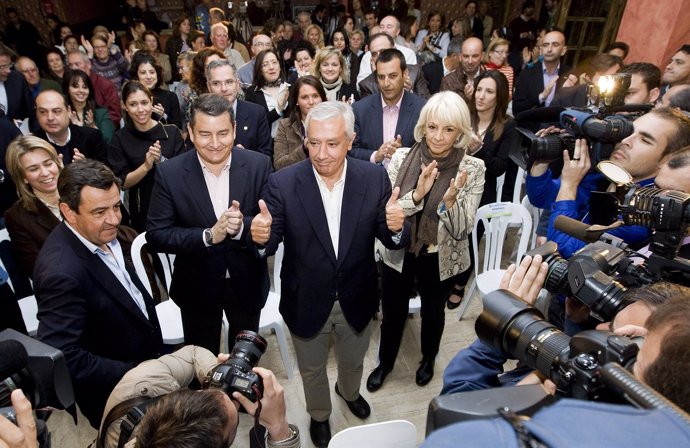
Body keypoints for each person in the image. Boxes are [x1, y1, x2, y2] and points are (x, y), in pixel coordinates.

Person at [250, 101, 410, 447]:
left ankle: (349, 392)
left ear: (350, 141)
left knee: (354, 362)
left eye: (333, 143)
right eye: (314, 142)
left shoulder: (373, 177)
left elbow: (390, 236)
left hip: (359, 293)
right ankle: (320, 414)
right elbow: (270, 238)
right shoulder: (283, 183)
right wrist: (260, 237)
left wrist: (397, 227)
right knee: (311, 370)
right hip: (305, 298)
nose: (321, 153)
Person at [367, 91, 485, 391]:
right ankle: (386, 362)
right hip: (400, 250)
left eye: (448, 129)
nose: (439, 137)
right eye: (432, 127)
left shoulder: (472, 169)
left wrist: (449, 203)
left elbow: (463, 229)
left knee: (434, 313)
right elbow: (389, 213)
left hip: (438, 255)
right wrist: (418, 195)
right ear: (423, 126)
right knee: (392, 312)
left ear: (460, 132)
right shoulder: (402, 158)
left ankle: (428, 359)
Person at [33, 159, 164, 428]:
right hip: (118, 395)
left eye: (116, 206)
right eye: (100, 211)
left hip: (145, 363)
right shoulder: (60, 272)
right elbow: (65, 356)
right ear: (69, 212)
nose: (115, 219)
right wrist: (135, 372)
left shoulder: (99, 234)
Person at [146, 94, 271, 353]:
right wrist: (207, 236)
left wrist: (243, 228)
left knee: (244, 367)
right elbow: (157, 234)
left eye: (223, 133)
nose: (215, 144)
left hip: (246, 285)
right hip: (196, 288)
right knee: (202, 369)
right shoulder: (170, 174)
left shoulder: (259, 165)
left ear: (234, 130)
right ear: (190, 132)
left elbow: (271, 223)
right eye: (205, 134)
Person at [526, 107, 690, 259]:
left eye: (645, 140)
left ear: (668, 159)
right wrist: (542, 162)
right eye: (630, 131)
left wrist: (569, 186)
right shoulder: (606, 176)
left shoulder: (642, 214)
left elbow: (566, 251)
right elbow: (542, 198)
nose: (626, 140)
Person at [99, 346, 300, 448]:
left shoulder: (135, 386)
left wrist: (220, 373)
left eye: (205, 393)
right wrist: (279, 428)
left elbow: (192, 353)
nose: (229, 396)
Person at [108, 81, 184, 232]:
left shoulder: (171, 132)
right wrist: (146, 166)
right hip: (144, 211)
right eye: (133, 104)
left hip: (176, 204)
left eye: (144, 102)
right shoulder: (120, 139)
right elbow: (121, 182)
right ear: (125, 106)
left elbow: (184, 172)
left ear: (151, 102)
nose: (140, 109)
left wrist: (161, 161)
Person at [351, 48, 427, 163]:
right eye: (381, 77)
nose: (386, 83)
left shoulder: (422, 109)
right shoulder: (360, 110)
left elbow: (428, 152)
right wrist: (376, 156)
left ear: (405, 73)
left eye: (392, 76)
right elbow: (351, 151)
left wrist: (402, 155)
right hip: (372, 178)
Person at [4, 136, 63, 277]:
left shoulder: (84, 191)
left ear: (57, 162)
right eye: (33, 169)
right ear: (23, 177)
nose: (44, 173)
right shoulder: (17, 217)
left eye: (48, 164)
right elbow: (37, 270)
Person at [206, 59, 273, 157]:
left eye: (229, 82)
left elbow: (266, 154)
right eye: (216, 83)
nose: (224, 88)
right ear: (209, 87)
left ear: (237, 84)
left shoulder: (256, 113)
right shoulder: (200, 115)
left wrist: (246, 157)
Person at [33, 89, 108, 165]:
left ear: (68, 111)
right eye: (43, 112)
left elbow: (107, 172)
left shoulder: (92, 136)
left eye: (56, 111)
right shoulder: (32, 145)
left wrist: (87, 168)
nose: (50, 117)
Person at [512, 28, 571, 115]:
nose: (549, 49)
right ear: (540, 50)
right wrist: (541, 97)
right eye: (545, 45)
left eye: (555, 45)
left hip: (559, 127)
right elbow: (516, 109)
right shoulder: (527, 74)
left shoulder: (571, 74)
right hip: (531, 127)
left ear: (563, 50)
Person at [273, 75, 326, 170]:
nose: (311, 102)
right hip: (296, 179)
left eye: (315, 96)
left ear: (322, 98)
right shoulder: (285, 126)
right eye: (305, 97)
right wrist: (303, 149)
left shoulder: (333, 124)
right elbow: (278, 165)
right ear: (297, 101)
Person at [358, 33, 431, 99]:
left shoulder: (415, 72)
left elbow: (427, 106)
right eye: (374, 54)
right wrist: (378, 80)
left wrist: (409, 93)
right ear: (371, 59)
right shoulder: (366, 84)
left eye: (383, 51)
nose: (379, 56)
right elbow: (372, 111)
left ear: (394, 50)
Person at [357, 15, 418, 87]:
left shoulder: (408, 53)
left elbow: (410, 82)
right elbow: (360, 86)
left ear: (397, 31)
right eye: (381, 26)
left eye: (389, 26)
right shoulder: (369, 55)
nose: (384, 30)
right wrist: (375, 75)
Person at [66, 50, 122, 127]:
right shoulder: (67, 86)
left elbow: (115, 115)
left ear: (88, 64)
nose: (73, 68)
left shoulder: (105, 85)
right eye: (70, 65)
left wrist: (99, 127)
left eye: (77, 64)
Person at [129, 52, 182, 129]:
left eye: (152, 72)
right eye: (143, 73)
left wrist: (164, 116)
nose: (148, 77)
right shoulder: (131, 98)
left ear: (157, 74)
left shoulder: (170, 96)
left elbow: (178, 128)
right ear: (136, 75)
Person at [244, 48, 290, 138]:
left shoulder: (290, 88)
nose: (271, 67)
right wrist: (278, 109)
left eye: (274, 62)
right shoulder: (252, 93)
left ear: (280, 66)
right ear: (260, 70)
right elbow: (256, 124)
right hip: (266, 146)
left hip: (291, 145)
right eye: (265, 64)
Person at [63, 69, 115, 143]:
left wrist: (93, 128)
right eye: (75, 86)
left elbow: (109, 142)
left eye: (84, 87)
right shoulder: (62, 113)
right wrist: (74, 129)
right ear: (67, 89)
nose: (81, 90)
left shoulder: (101, 113)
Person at [440, 37, 486, 102]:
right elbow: (447, 110)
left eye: (475, 56)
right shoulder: (448, 81)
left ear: (482, 56)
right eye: (466, 56)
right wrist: (467, 98)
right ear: (460, 57)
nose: (470, 61)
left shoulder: (490, 79)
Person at [0, 45, 33, 123]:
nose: (8, 71)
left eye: (9, 65)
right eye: (3, 67)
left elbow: (31, 111)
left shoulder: (17, 79)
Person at [165, 16, 192, 83]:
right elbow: (173, 60)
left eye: (188, 24)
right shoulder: (172, 41)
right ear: (179, 27)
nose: (187, 26)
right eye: (184, 24)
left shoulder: (192, 40)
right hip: (177, 76)